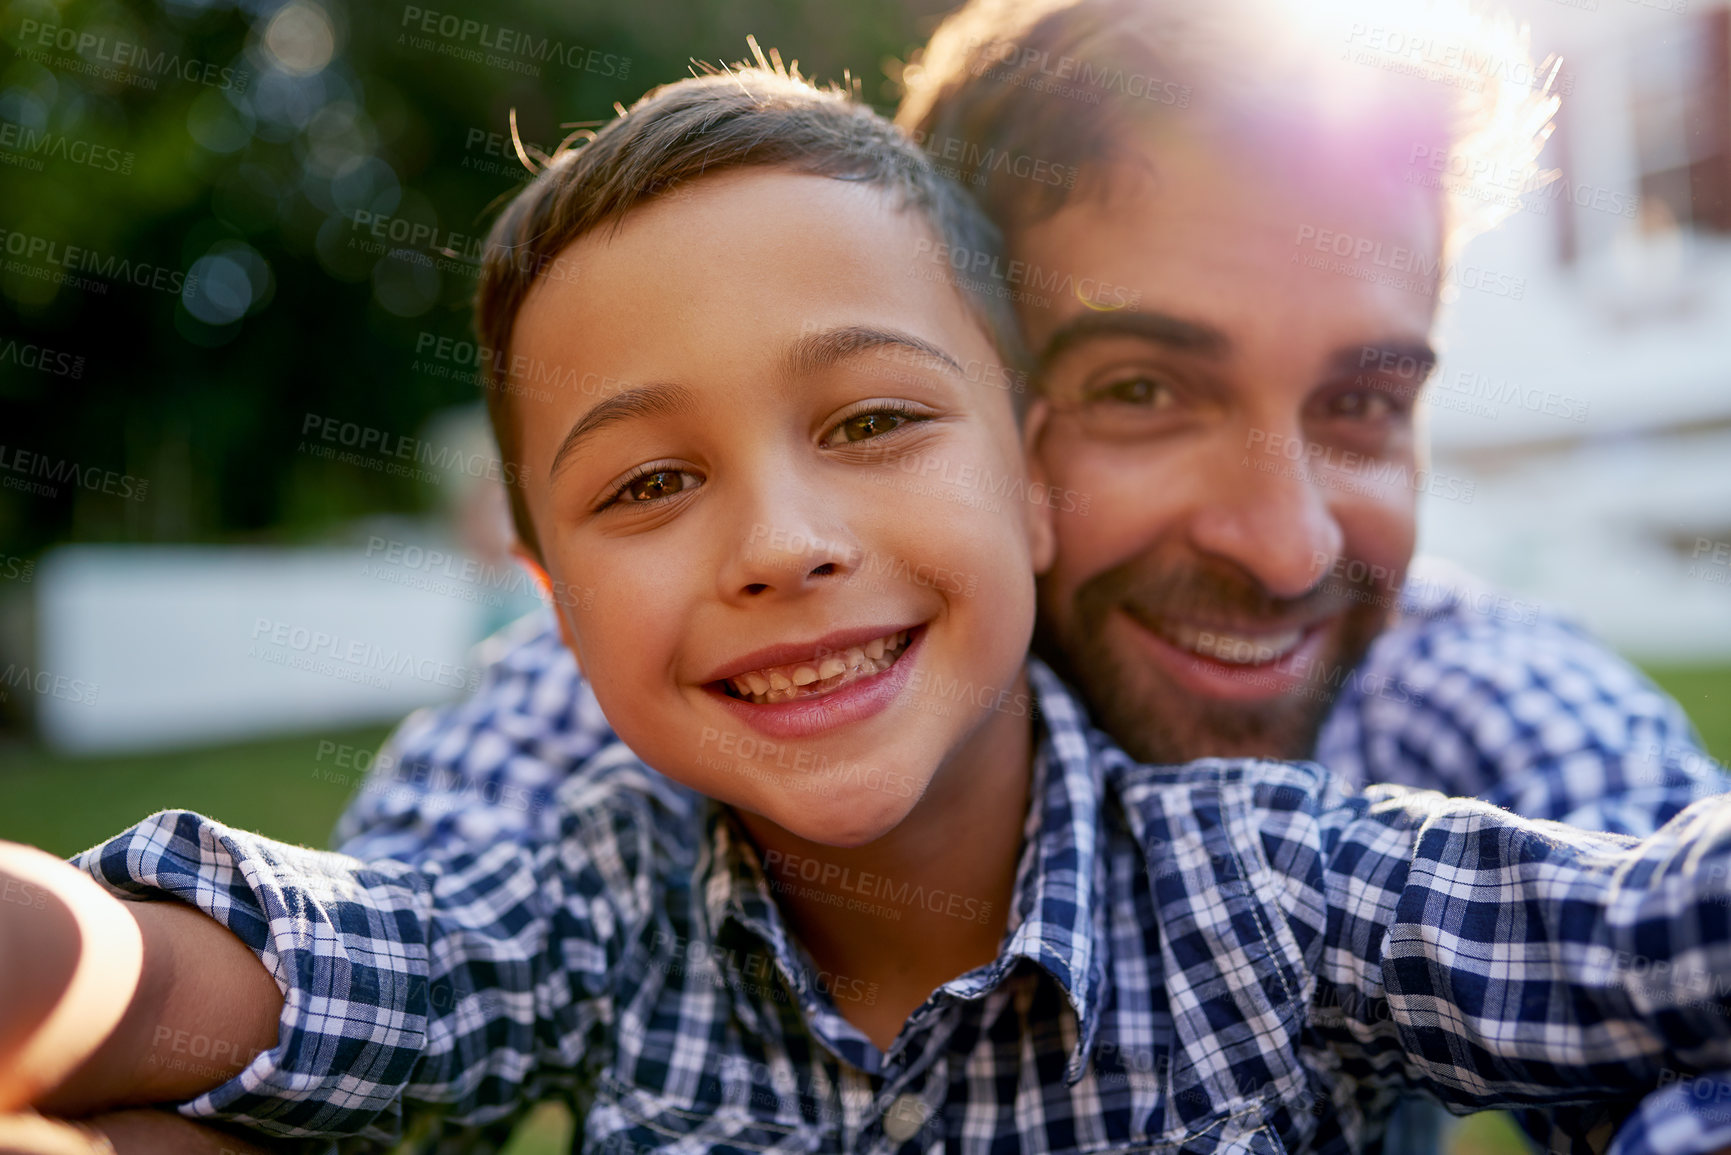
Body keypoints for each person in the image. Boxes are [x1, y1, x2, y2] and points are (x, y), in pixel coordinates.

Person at [8, 65, 1731, 1155]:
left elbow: (1638, 950)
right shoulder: (601, 847)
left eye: (1361, 401)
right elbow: (368, 981)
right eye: (1147, 386)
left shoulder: (1298, 865)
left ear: (1013, 467)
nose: (1286, 548)